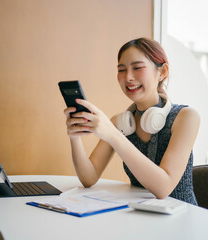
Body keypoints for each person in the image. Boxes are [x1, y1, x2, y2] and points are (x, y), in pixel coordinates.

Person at [63, 37, 200, 205]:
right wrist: (74, 136)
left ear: (162, 72)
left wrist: (113, 135)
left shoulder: (186, 117)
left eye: (137, 68)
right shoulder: (121, 122)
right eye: (121, 69)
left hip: (181, 219)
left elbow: (163, 188)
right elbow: (88, 178)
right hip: (140, 217)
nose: (128, 77)